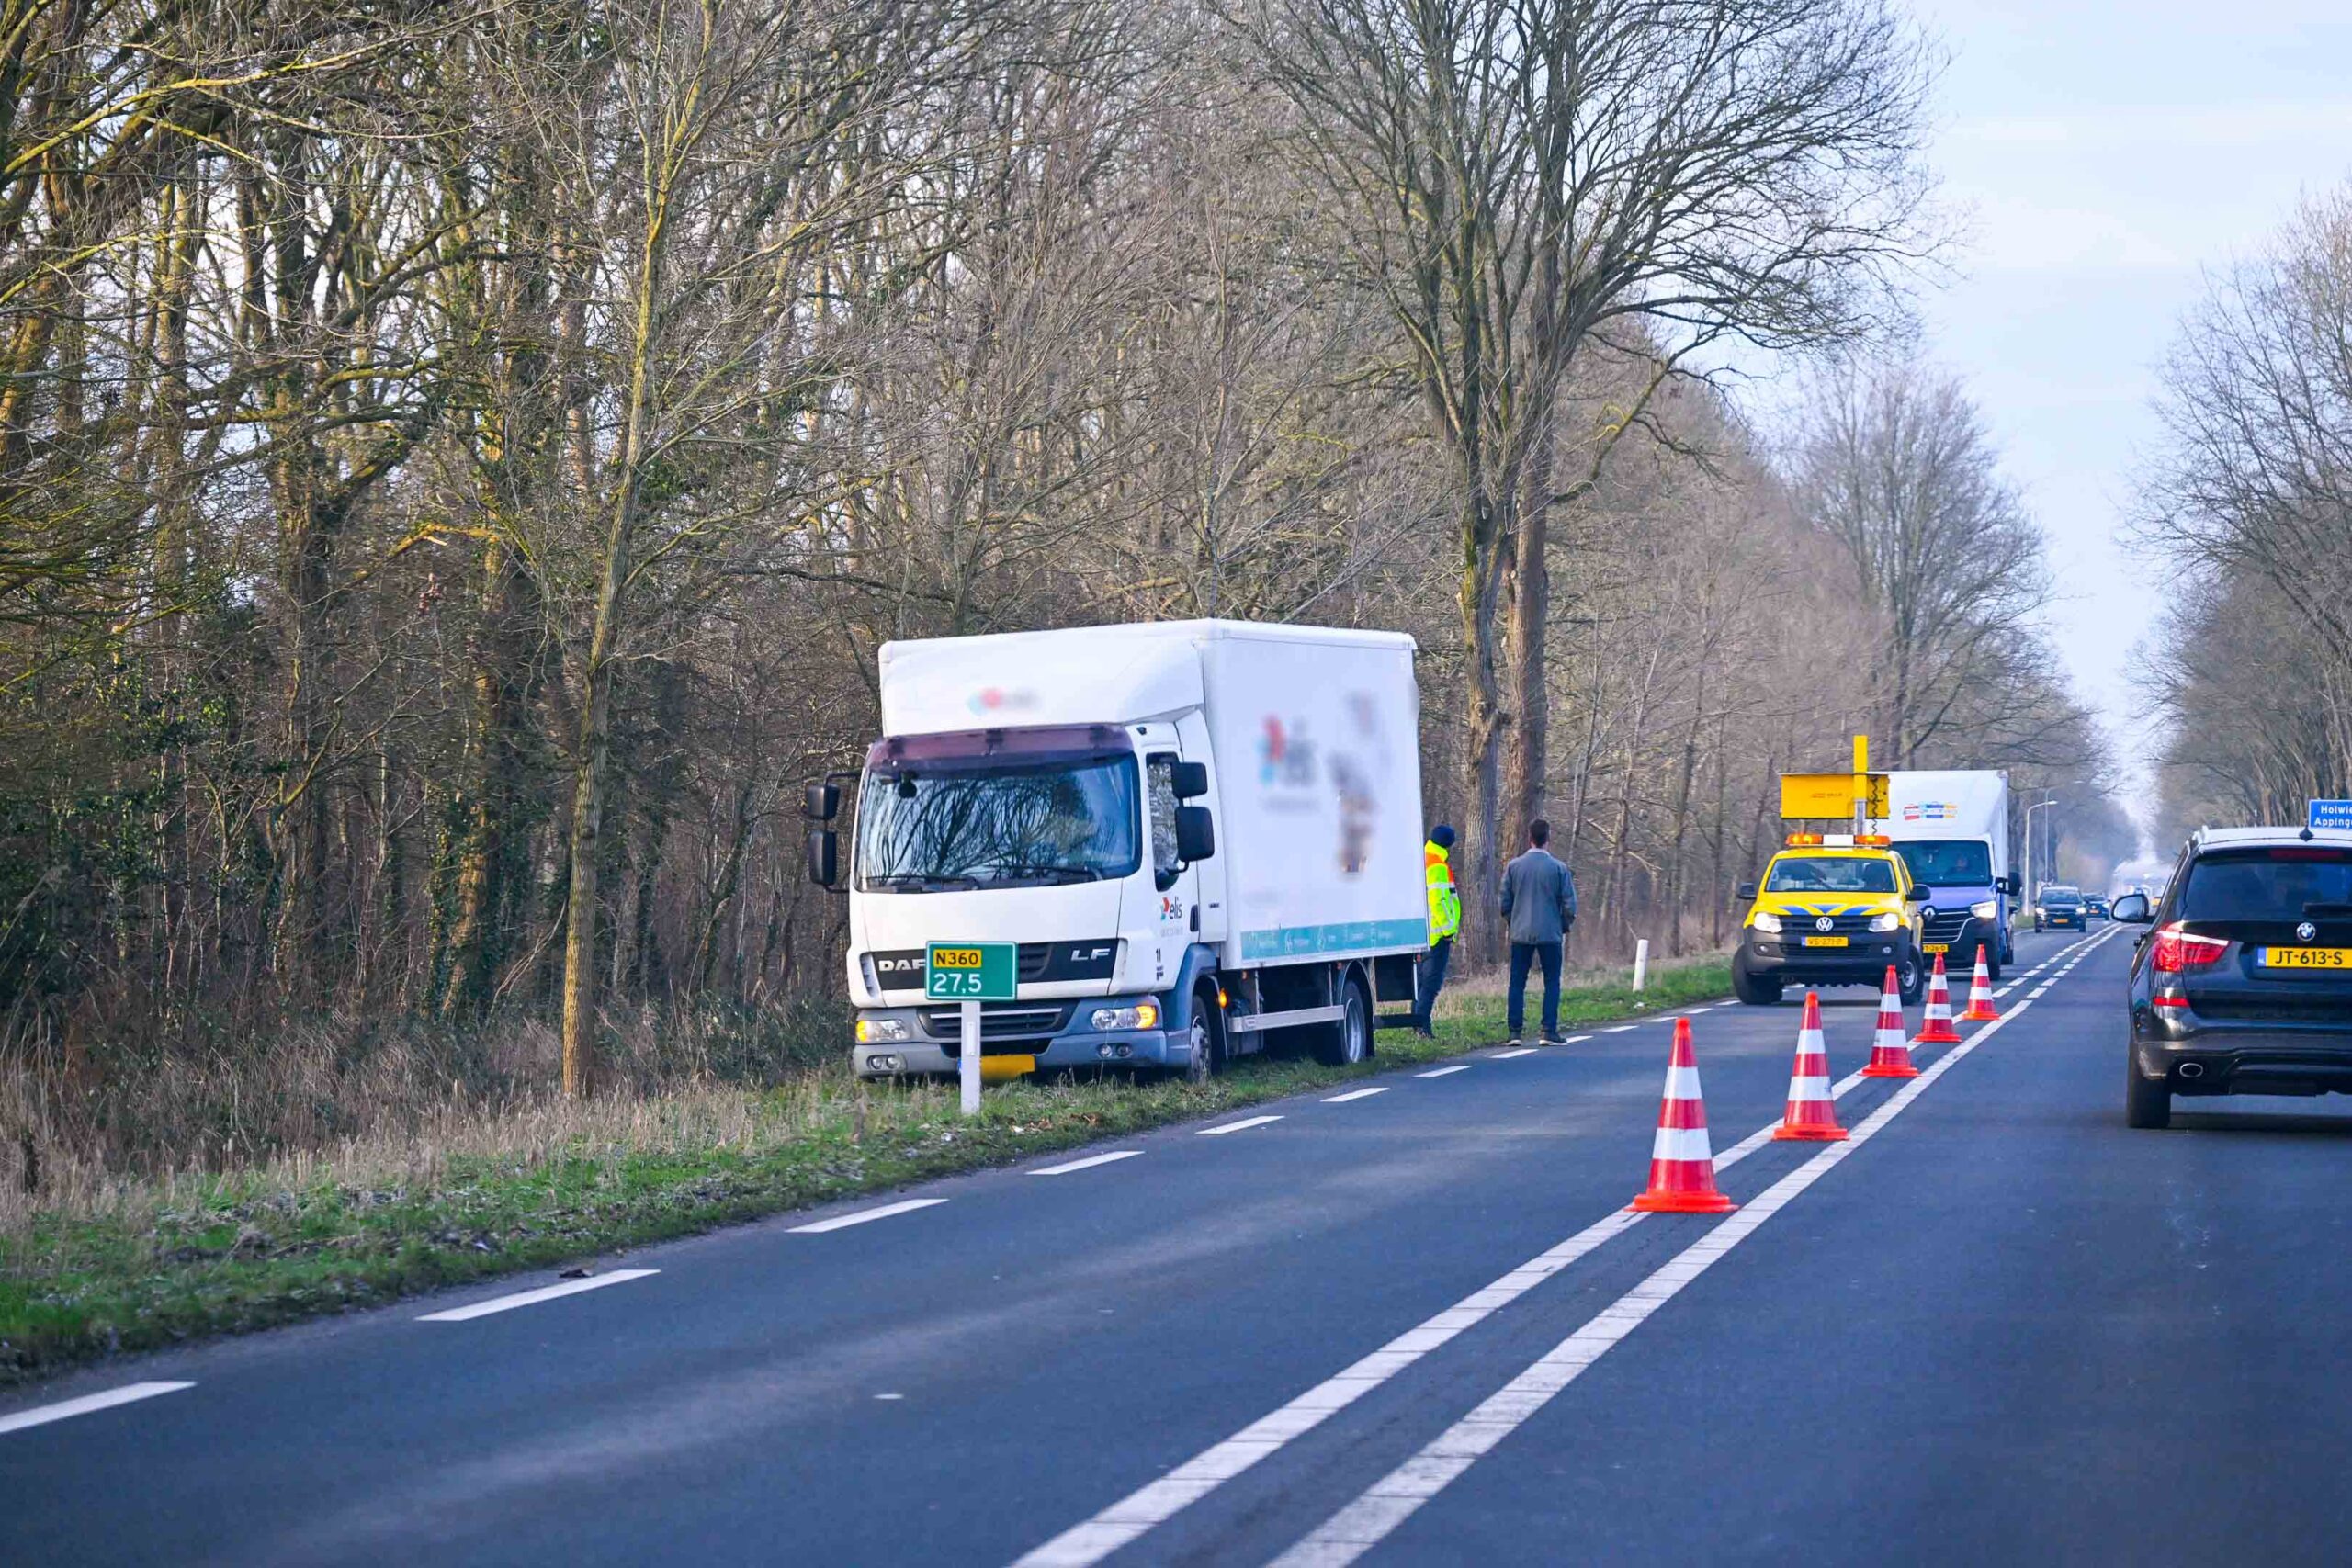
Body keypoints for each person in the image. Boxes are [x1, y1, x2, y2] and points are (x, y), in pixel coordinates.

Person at [1500, 818, 1577, 1045]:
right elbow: (1569, 905)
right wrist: (1563, 925)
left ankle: (1515, 1031)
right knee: (1552, 981)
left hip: (1520, 932)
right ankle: (1548, 1030)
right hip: (1550, 932)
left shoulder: (1514, 867)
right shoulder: (1559, 868)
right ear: (1548, 839)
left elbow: (1505, 901)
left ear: (1529, 838)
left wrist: (1513, 922)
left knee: (1517, 982)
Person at [1414, 824, 1462, 1036]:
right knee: (1430, 985)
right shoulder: (1437, 866)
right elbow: (1438, 901)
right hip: (1436, 936)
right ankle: (1423, 1027)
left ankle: (1417, 1024)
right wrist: (1447, 930)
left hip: (1420, 934)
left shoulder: (1423, 858)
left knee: (1421, 984)